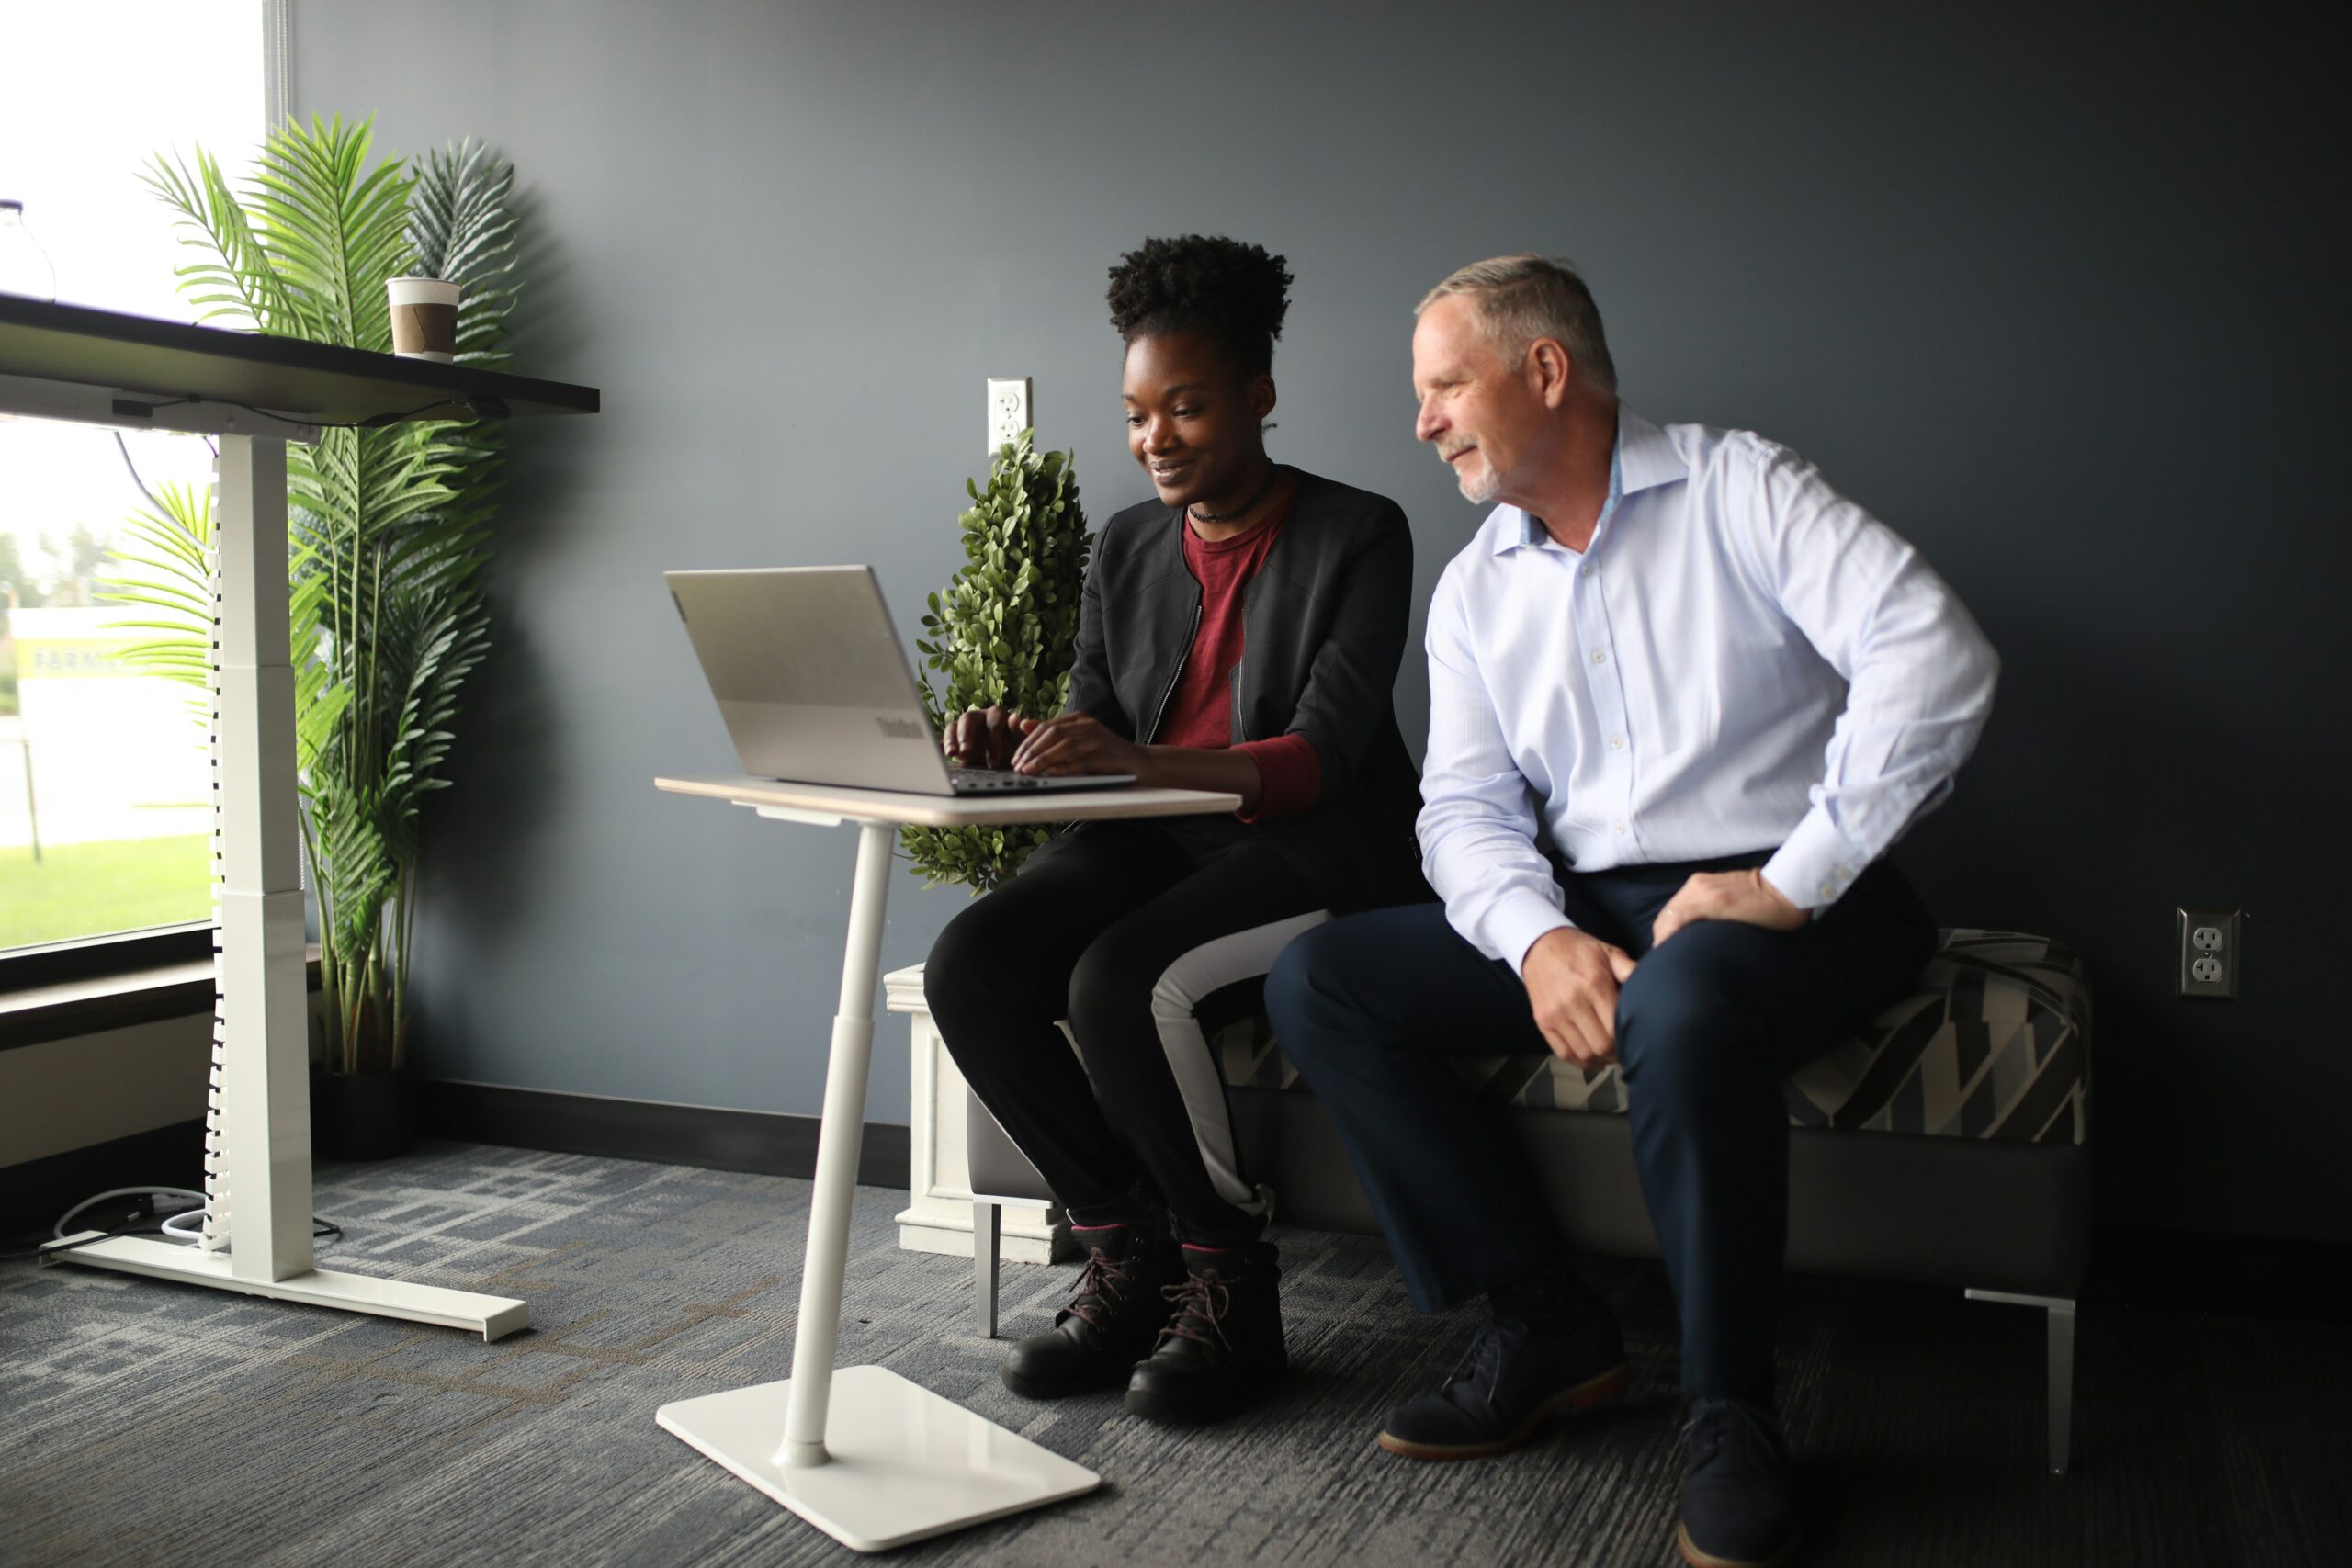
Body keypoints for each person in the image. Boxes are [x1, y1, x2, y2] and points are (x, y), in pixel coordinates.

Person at [1264, 254, 1997, 1566]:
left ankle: (1732, 1413)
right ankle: (1546, 1322)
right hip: (1595, 906)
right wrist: (1539, 938)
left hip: (1810, 894)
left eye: (1445, 387)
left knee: (1682, 1000)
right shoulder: (1477, 588)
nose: (1422, 423)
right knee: (1322, 982)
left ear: (1545, 370)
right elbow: (1462, 810)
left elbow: (1934, 655)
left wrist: (1789, 881)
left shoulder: (1740, 488)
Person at [923, 234, 1424, 1424]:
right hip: (1153, 841)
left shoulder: (1361, 533)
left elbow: (1319, 757)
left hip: (1314, 849)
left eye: (1186, 408)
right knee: (970, 964)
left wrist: (1137, 760)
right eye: (1138, 414)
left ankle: (1229, 1282)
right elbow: (1099, 721)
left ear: (1258, 395)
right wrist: (1021, 749)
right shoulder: (1128, 544)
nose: (1156, 437)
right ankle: (1124, 1250)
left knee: (1119, 980)